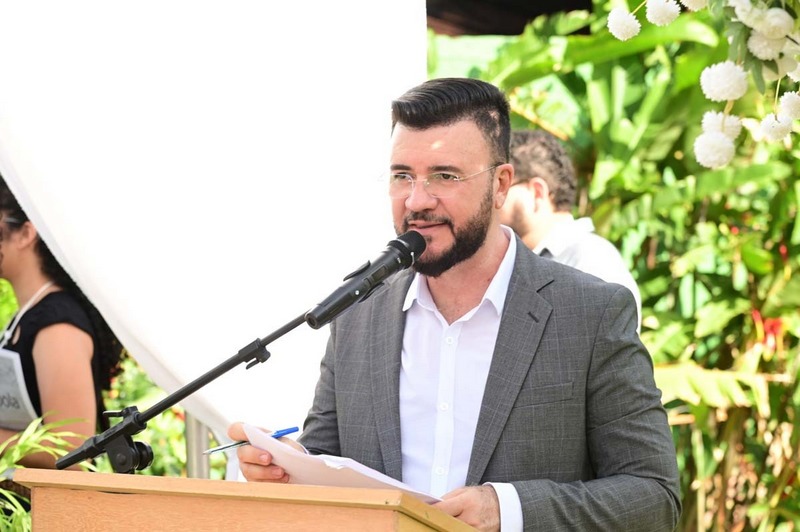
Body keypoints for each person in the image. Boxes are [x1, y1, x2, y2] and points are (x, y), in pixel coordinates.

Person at [228, 78, 680, 531]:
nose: (416, 200)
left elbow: (655, 497)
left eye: (444, 176)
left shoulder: (591, 313)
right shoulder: (358, 315)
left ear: (501, 185)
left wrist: (509, 509)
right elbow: (327, 459)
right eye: (402, 176)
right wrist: (291, 468)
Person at [0, 176, 124, 468]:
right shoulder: (30, 315)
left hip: (41, 500)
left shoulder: (57, 325)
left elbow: (73, 449)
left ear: (25, 233)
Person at [499, 129, 643, 331]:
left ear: (537, 193)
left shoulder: (590, 260)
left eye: (501, 187)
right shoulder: (522, 262)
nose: (491, 201)